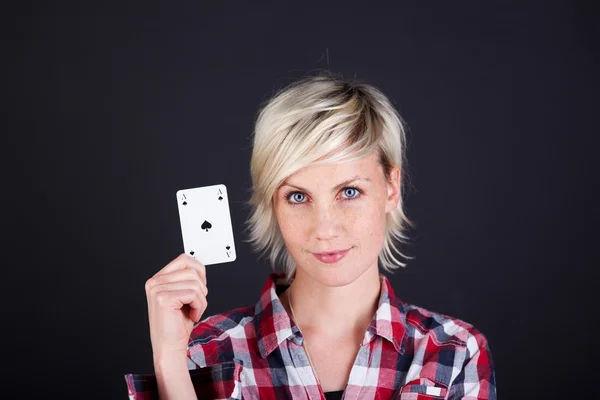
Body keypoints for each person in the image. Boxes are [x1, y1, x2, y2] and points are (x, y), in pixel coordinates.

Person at [124, 73, 497, 399]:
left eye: (349, 192)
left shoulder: (453, 353)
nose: (325, 229)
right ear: (273, 202)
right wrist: (168, 359)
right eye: (298, 197)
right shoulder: (205, 352)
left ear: (390, 188)